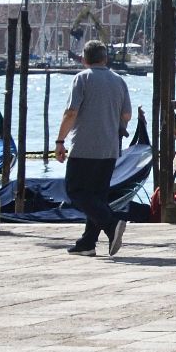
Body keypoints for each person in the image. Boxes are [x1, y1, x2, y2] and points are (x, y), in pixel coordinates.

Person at [58, 40, 134, 256]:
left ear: (84, 59)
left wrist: (60, 141)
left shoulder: (82, 78)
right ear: (105, 58)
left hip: (84, 147)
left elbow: (71, 113)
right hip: (110, 148)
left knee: (75, 191)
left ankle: (111, 224)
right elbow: (127, 115)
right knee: (97, 197)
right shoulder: (119, 80)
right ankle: (88, 243)